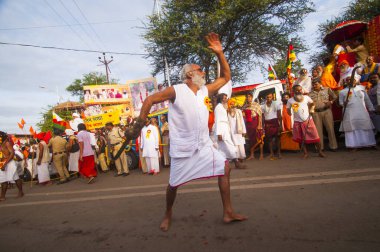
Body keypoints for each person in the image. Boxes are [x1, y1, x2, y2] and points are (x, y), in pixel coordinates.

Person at [124, 32, 246, 231]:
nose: (204, 73)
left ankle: (228, 212)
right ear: (190, 74)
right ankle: (168, 213)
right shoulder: (176, 90)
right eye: (200, 70)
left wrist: (220, 53)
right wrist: (139, 124)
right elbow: (150, 100)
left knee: (225, 168)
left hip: (204, 146)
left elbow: (226, 77)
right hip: (183, 149)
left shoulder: (205, 90)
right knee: (173, 186)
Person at [287, 85, 325, 158]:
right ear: (293, 91)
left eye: (300, 90)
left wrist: (312, 109)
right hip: (298, 122)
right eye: (297, 90)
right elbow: (288, 110)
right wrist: (289, 111)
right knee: (301, 139)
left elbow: (312, 103)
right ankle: (305, 153)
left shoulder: (306, 98)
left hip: (308, 120)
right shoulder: (290, 100)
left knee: (316, 137)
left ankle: (320, 152)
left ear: (302, 90)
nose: (299, 91)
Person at [339, 78, 376, 150]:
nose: (350, 81)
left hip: (362, 111)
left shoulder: (361, 89)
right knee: (351, 128)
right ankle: (353, 146)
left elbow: (367, 100)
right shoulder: (342, 92)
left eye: (352, 79)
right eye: (348, 80)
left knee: (365, 126)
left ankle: (369, 144)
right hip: (349, 112)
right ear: (346, 82)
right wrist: (343, 103)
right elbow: (340, 103)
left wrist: (372, 108)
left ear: (355, 81)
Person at [214, 93, 245, 169]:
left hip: (225, 128)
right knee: (228, 146)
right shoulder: (218, 107)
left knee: (224, 148)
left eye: (226, 98)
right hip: (221, 130)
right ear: (221, 99)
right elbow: (217, 120)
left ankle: (229, 164)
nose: (226, 99)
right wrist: (219, 133)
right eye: (224, 98)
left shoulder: (223, 107)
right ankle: (236, 162)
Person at [309, 78, 338, 151]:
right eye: (313, 84)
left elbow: (335, 97)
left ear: (320, 83)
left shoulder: (327, 89)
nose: (314, 85)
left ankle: (333, 146)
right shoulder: (310, 93)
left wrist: (330, 102)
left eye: (316, 84)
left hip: (326, 111)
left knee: (330, 129)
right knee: (318, 131)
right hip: (316, 113)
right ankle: (320, 148)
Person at [0, 131, 24, 201]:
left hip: (9, 163)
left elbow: (12, 154)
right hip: (2, 164)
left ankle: (21, 192)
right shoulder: (1, 144)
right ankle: (2, 196)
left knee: (16, 178)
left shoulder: (7, 143)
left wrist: (5, 164)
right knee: (3, 180)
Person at [243, 93, 264, 160]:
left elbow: (260, 115)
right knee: (251, 140)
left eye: (249, 97)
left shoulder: (256, 105)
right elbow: (243, 116)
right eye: (247, 97)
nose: (248, 98)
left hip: (256, 123)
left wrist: (259, 125)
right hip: (248, 125)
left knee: (259, 139)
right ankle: (252, 155)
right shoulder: (245, 106)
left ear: (252, 97)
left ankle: (261, 154)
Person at [261, 93, 282, 159]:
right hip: (267, 123)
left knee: (277, 138)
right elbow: (262, 117)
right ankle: (271, 153)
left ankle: (279, 153)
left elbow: (279, 115)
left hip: (275, 122)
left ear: (272, 97)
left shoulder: (276, 104)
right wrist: (262, 125)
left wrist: (280, 125)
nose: (269, 98)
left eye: (270, 97)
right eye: (267, 97)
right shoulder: (263, 106)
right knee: (269, 139)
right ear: (266, 98)